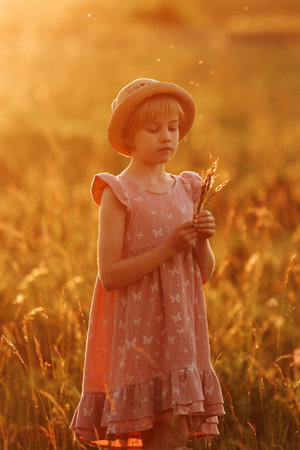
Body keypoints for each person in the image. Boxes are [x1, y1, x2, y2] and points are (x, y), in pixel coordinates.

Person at [70, 78, 225, 450]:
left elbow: (202, 274)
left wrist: (202, 241)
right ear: (129, 136)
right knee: (145, 433)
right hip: (137, 337)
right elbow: (109, 275)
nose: (166, 137)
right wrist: (168, 248)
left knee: (176, 432)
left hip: (180, 336)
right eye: (153, 129)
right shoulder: (118, 192)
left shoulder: (187, 188)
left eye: (173, 128)